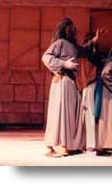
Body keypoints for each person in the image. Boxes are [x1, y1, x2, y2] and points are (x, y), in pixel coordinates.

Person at [42, 18, 99, 157]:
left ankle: (66, 143)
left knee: (69, 113)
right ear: (65, 30)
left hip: (70, 83)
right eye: (70, 29)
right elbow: (46, 57)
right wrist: (64, 64)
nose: (72, 31)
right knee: (61, 113)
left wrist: (95, 40)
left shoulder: (72, 46)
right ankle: (58, 145)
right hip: (62, 82)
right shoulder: (60, 43)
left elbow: (83, 51)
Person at [75, 32, 104, 152]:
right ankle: (90, 144)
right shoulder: (89, 54)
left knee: (85, 115)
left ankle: (83, 143)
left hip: (84, 86)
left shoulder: (82, 55)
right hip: (90, 85)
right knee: (90, 114)